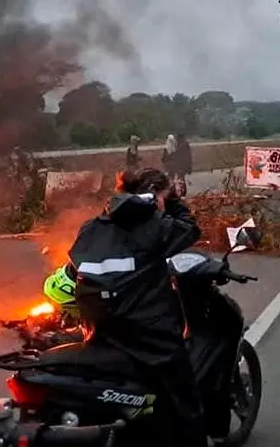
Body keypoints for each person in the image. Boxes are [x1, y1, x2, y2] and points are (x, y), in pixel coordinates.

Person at [68, 168, 207, 447]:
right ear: (155, 197)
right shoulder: (154, 226)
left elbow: (75, 268)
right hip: (147, 331)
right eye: (164, 198)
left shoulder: (91, 226)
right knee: (185, 395)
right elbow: (190, 228)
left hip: (98, 325)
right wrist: (172, 201)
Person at [174, 134, 192, 198]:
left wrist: (189, 167)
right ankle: (182, 192)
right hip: (180, 165)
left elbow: (188, 156)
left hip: (181, 166)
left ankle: (182, 192)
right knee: (181, 179)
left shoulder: (183, 145)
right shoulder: (181, 144)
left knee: (181, 179)